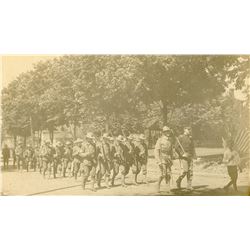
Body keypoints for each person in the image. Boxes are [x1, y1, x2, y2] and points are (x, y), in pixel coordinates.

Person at [154, 126, 173, 193]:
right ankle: (157, 185)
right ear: (163, 132)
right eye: (166, 131)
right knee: (163, 174)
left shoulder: (170, 140)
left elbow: (171, 151)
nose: (168, 133)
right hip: (162, 159)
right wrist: (158, 161)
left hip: (168, 159)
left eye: (168, 131)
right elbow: (156, 151)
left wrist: (172, 159)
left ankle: (168, 188)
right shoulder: (160, 140)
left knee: (168, 174)